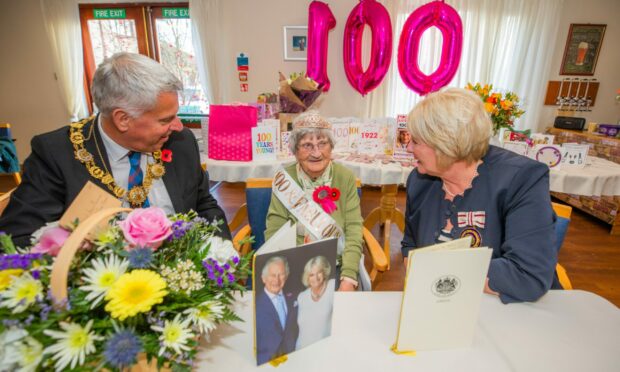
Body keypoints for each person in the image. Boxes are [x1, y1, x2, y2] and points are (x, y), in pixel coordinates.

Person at [0, 52, 230, 247]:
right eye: (164, 120)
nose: (178, 126)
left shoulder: (181, 142)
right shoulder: (57, 154)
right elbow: (17, 239)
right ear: (123, 119)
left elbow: (204, 204)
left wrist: (222, 253)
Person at [401, 87, 560, 304]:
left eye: (416, 141)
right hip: (445, 308)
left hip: (515, 313)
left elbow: (527, 276)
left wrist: (436, 270)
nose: (408, 148)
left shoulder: (521, 180)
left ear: (446, 144)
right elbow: (410, 247)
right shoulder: (419, 181)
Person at [264, 111, 363, 291]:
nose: (316, 153)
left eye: (322, 143)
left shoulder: (345, 177)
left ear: (331, 147)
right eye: (307, 145)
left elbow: (354, 230)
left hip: (337, 265)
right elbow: (275, 231)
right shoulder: (284, 179)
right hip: (293, 267)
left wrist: (348, 278)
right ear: (295, 151)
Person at [255, 256, 299, 365]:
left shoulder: (294, 298)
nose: (277, 280)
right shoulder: (255, 305)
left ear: (287, 276)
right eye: (272, 275)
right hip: (266, 364)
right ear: (263, 278)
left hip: (293, 361)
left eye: (281, 275)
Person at [295, 255, 335, 349]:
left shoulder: (331, 286)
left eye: (319, 272)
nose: (316, 277)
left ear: (324, 272)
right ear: (307, 277)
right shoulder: (302, 297)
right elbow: (301, 332)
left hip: (325, 348)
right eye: (311, 274)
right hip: (302, 349)